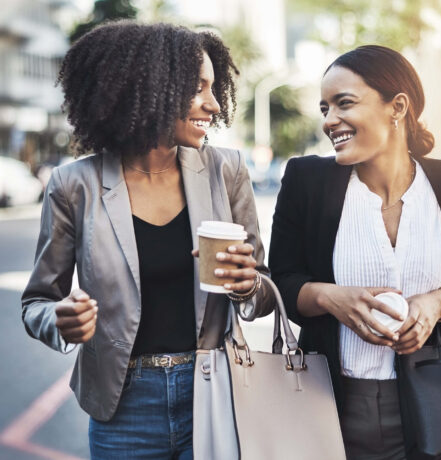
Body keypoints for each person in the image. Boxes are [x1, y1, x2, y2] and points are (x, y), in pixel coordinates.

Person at [22, 20, 274, 460]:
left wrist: (248, 284)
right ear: (148, 87)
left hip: (213, 392)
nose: (213, 105)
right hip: (123, 408)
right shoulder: (73, 185)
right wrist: (61, 320)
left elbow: (264, 293)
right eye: (198, 88)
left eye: (215, 88)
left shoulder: (225, 171)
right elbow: (38, 303)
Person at [269, 45, 441, 460]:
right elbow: (279, 283)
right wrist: (328, 297)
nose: (329, 120)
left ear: (398, 106)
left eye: (344, 103)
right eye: (324, 108)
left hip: (440, 402)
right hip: (331, 403)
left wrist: (439, 302)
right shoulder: (306, 181)